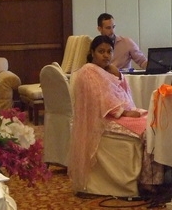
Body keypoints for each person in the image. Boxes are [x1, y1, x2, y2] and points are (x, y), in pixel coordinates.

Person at [69, 35, 163, 194]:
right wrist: (125, 112)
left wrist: (118, 75)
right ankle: (148, 180)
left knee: (156, 121)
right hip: (105, 119)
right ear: (92, 52)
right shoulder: (87, 71)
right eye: (101, 51)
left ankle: (160, 176)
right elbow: (98, 101)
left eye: (109, 51)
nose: (106, 55)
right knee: (148, 130)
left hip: (119, 115)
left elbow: (123, 94)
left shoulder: (107, 70)